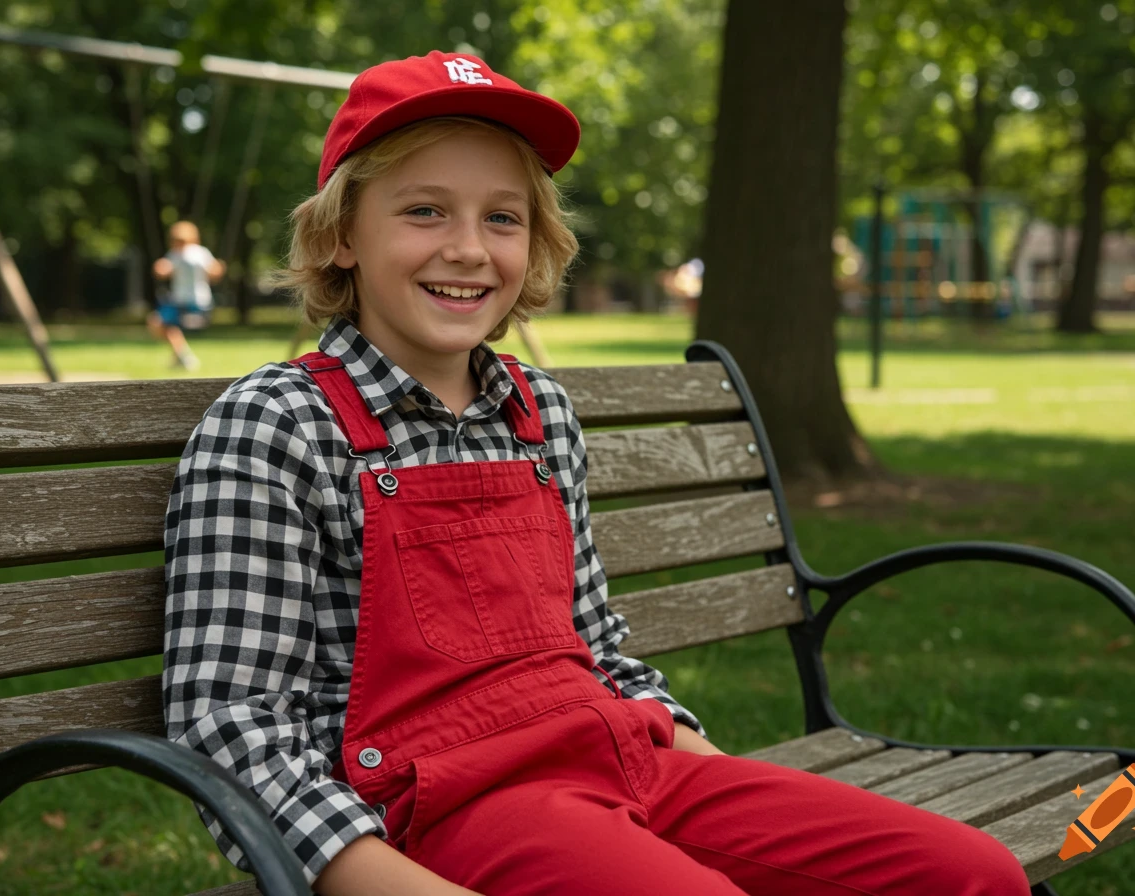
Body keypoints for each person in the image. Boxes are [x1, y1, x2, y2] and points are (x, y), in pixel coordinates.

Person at [162, 52, 1032, 896]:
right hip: (452, 814)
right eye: (425, 210)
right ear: (342, 233)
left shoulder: (540, 416)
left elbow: (598, 650)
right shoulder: (278, 426)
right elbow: (233, 735)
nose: (468, 248)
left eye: (502, 218)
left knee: (973, 875)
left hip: (627, 758)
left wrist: (735, 796)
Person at [147, 220, 224, 371]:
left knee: (158, 322)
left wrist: (160, 268)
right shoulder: (198, 252)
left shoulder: (191, 253)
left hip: (192, 304)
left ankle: (183, 355)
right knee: (160, 324)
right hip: (184, 302)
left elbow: (163, 271)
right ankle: (181, 355)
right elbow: (215, 272)